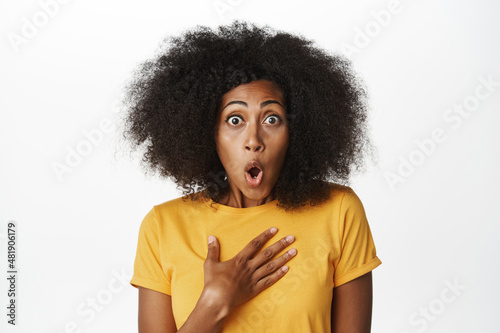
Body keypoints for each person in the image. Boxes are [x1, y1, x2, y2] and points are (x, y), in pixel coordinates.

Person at [123, 20, 382, 333]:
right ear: (208, 133)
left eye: (272, 119)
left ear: (296, 132)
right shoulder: (163, 227)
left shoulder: (339, 211)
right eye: (235, 119)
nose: (253, 139)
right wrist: (215, 301)